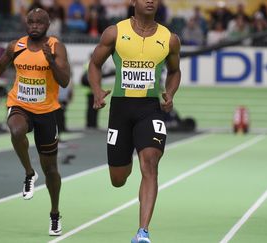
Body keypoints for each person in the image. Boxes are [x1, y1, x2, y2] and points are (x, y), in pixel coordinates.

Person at [87, 0, 181, 242]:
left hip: (150, 109)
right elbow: (95, 64)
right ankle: (127, 152)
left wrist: (170, 93)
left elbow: (174, 71)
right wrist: (97, 90)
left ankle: (143, 232)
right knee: (118, 179)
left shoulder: (169, 38)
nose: (150, 0)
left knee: (150, 164)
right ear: (133, 1)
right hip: (120, 109)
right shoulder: (115, 32)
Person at [0, 8, 70, 236]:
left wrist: (51, 61)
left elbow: (64, 81)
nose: (35, 26)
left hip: (46, 111)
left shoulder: (56, 47)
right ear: (26, 24)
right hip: (20, 104)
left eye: (39, 22)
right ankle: (29, 173)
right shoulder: (16, 46)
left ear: (48, 25)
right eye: (31, 22)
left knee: (52, 170)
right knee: (16, 130)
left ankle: (55, 213)